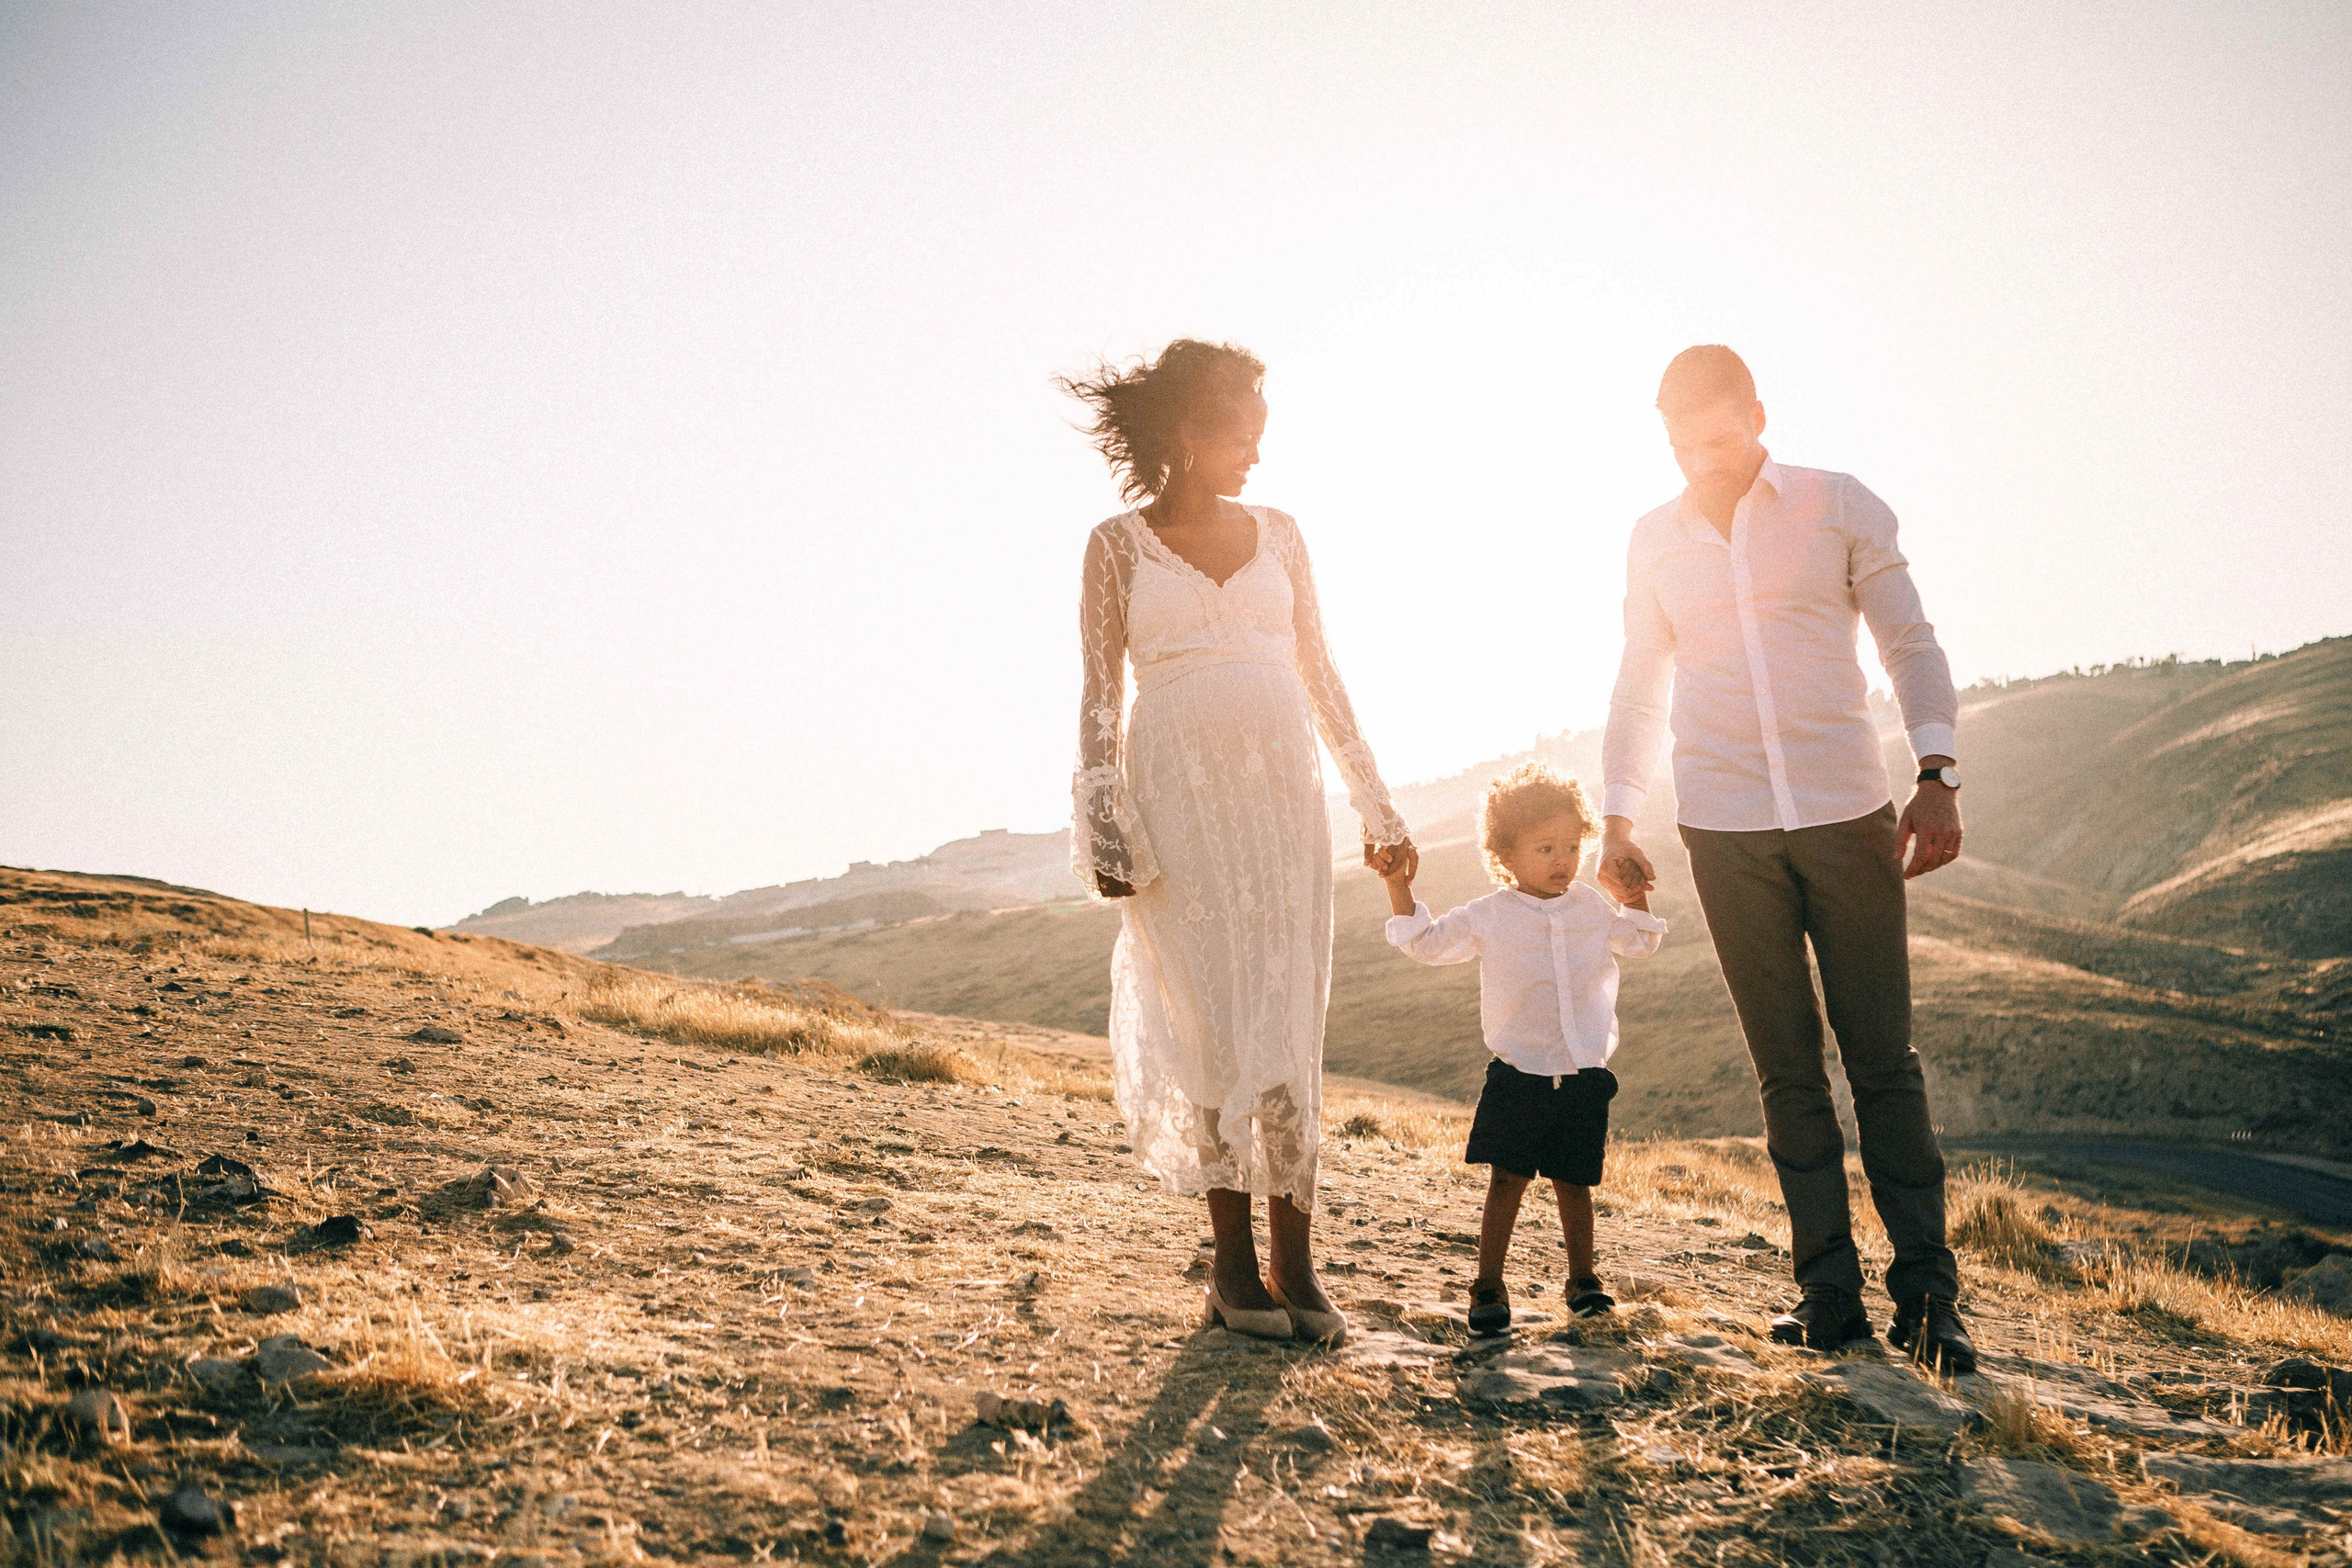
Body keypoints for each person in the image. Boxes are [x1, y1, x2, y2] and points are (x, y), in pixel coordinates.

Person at [1598, 344, 1975, 1371]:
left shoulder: (1839, 503)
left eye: (1716, 440)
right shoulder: (1652, 539)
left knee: (1882, 1065)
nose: (1699, 462)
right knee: (1785, 1073)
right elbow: (1638, 683)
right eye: (1680, 446)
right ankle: (1827, 1297)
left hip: (1846, 812)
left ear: (1757, 415)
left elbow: (1907, 640)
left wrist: (1935, 767)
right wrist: (1618, 820)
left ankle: (1930, 1299)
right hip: (1721, 828)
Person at [1061, 338, 1411, 1347]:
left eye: (1262, 435)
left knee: (1288, 1011)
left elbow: (1323, 675)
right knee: (1210, 1020)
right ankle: (1231, 1267)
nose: (1256, 453)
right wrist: (1105, 823)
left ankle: (1297, 1262)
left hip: (1279, 803)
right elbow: (1097, 694)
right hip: (1175, 801)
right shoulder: (1115, 546)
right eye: (1241, 434)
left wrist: (1378, 810)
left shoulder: (1283, 534)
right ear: (1186, 432)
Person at [1380, 763, 1664, 1334]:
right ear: (1505, 855)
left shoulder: (1589, 905)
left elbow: (1637, 943)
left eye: (1572, 846)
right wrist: (1399, 887)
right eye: (1544, 848)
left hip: (1582, 1072)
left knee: (1574, 1180)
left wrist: (1634, 899)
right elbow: (1428, 945)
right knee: (1507, 1178)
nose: (1562, 860)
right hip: (1519, 1074)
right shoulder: (1490, 915)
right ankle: (1488, 1282)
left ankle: (1584, 1280)